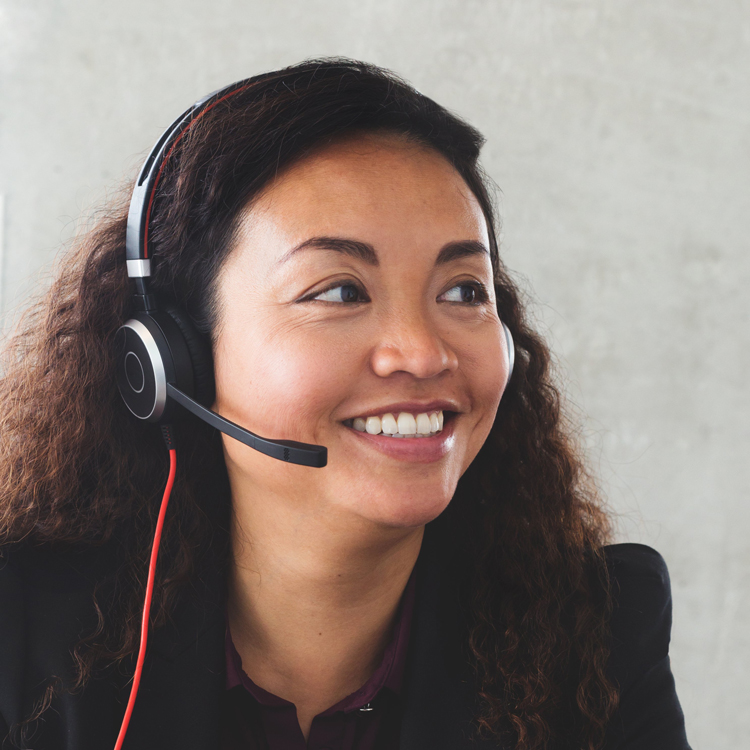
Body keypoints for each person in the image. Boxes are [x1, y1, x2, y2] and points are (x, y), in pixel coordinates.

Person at [0, 58, 690, 750]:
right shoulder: (21, 624)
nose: (422, 353)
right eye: (338, 291)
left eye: (463, 291)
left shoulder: (597, 629)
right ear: (171, 357)